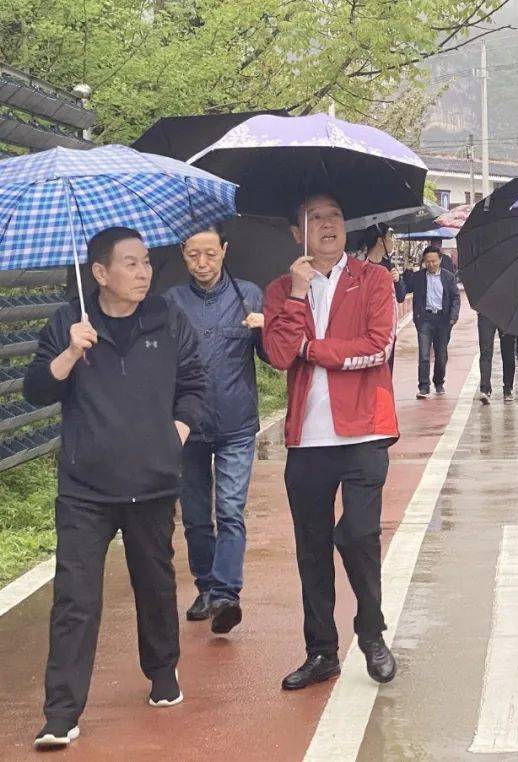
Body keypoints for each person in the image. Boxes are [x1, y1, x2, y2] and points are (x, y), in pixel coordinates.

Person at [24, 227, 206, 750]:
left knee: (155, 584)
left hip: (150, 482)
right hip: (85, 487)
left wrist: (178, 432)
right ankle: (61, 712)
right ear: (100, 274)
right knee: (75, 598)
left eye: (146, 262)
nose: (144, 272)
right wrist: (68, 355)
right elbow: (37, 388)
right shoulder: (69, 322)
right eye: (130, 264)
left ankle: (163, 672)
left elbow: (193, 382)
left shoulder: (168, 319)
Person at [263, 193, 400, 692]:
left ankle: (371, 632)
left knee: (359, 534)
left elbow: (378, 346)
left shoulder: (374, 279)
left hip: (365, 428)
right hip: (307, 438)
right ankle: (321, 650)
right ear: (298, 230)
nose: (327, 225)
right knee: (312, 547)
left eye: (335, 217)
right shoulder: (281, 288)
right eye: (315, 218)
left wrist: (314, 350)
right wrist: (298, 296)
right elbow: (278, 354)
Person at [164, 226, 265, 635]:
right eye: (193, 256)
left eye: (209, 254)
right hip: (187, 426)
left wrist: (265, 328)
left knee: (229, 509)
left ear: (224, 250)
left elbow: (273, 357)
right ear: (183, 254)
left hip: (236, 423)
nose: (202, 264)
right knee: (194, 516)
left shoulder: (249, 295)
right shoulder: (170, 303)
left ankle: (226, 594)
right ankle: (205, 586)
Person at [407, 245, 459, 399]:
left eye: (434, 261)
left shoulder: (449, 277)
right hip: (425, 320)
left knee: (441, 354)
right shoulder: (418, 277)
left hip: (443, 320)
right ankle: (423, 386)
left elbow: (455, 297)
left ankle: (438, 381)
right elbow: (404, 290)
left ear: (440, 260)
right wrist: (404, 275)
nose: (431, 264)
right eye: (427, 261)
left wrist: (453, 316)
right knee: (424, 354)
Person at [354, 223, 407, 370]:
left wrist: (397, 280)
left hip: (386, 331)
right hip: (363, 330)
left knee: (385, 373)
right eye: (390, 236)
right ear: (380, 240)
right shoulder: (359, 266)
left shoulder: (389, 266)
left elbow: (401, 297)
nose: (392, 241)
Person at [477, 313, 515, 405]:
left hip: (507, 315)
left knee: (508, 353)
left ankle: (508, 388)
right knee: (485, 352)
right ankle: (485, 389)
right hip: (486, 314)